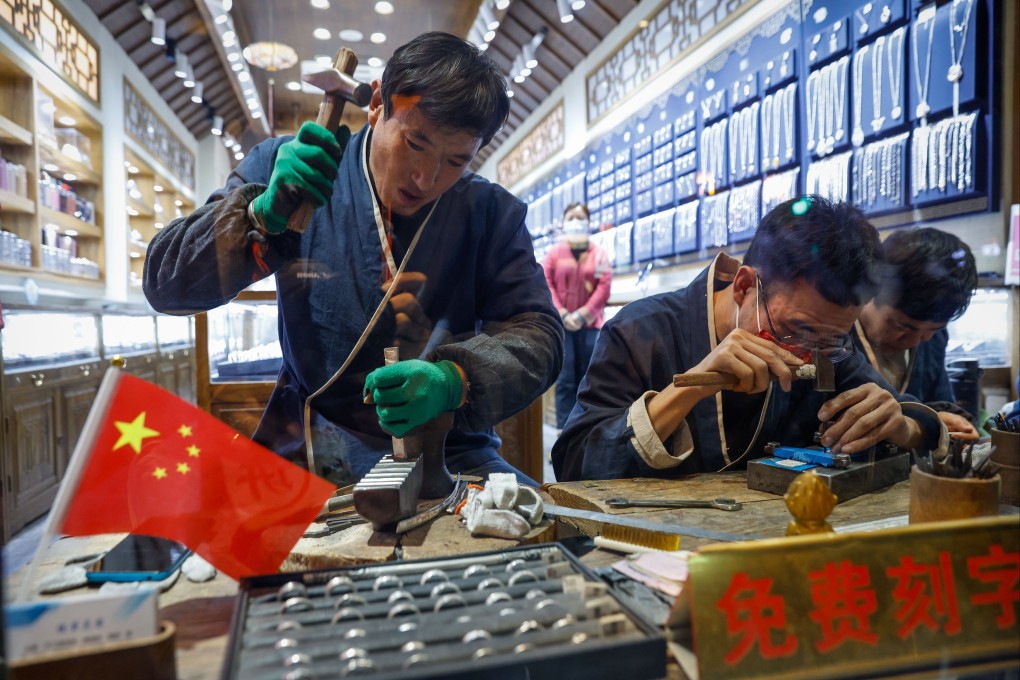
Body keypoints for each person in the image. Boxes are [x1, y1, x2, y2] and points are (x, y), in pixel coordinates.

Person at [144, 32, 563, 487]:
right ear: (379, 102)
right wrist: (258, 214)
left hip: (448, 451)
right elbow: (163, 285)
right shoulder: (291, 167)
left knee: (537, 537)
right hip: (309, 447)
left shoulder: (490, 213)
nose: (426, 178)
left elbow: (538, 336)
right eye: (415, 143)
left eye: (455, 161)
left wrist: (454, 378)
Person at [552, 196, 948, 482]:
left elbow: (908, 415)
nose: (806, 355)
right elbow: (572, 463)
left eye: (832, 339)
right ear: (744, 287)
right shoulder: (643, 330)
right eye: (796, 330)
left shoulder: (824, 353)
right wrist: (687, 390)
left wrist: (902, 427)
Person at [853, 228, 980, 440]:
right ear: (871, 291)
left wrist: (951, 424)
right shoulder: (835, 333)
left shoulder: (933, 339)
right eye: (903, 326)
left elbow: (938, 403)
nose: (916, 341)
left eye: (933, 329)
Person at [542, 202, 612, 429]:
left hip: (590, 325)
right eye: (570, 217)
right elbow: (546, 284)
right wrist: (562, 313)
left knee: (589, 378)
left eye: (580, 217)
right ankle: (564, 432)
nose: (575, 221)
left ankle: (586, 431)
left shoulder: (599, 254)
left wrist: (582, 315)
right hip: (562, 326)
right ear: (563, 223)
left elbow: (604, 286)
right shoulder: (553, 254)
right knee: (565, 380)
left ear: (588, 222)